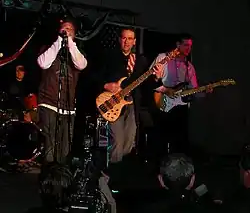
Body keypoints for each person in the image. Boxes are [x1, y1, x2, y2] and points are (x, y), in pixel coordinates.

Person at [98, 28, 162, 166]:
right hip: (114, 103)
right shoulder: (109, 56)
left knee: (129, 142)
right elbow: (93, 76)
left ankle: (118, 170)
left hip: (131, 104)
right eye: (124, 38)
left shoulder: (140, 60)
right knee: (117, 141)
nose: (127, 42)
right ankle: (110, 174)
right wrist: (105, 85)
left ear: (134, 42)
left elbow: (146, 84)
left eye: (130, 39)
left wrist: (156, 77)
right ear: (119, 39)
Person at [149, 34, 212, 164]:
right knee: (160, 139)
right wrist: (166, 90)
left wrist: (205, 91)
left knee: (180, 141)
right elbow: (150, 80)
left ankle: (178, 170)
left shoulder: (189, 67)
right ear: (178, 45)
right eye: (186, 45)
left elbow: (194, 90)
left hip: (181, 106)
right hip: (163, 102)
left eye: (190, 46)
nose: (188, 48)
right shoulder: (163, 57)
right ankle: (159, 169)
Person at [37, 17, 87, 164]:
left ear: (75, 34)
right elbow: (43, 63)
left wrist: (70, 44)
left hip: (68, 108)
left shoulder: (77, 52)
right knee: (50, 148)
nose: (66, 31)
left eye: (69, 29)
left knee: (65, 149)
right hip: (48, 103)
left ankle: (59, 181)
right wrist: (59, 42)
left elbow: (81, 64)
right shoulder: (48, 48)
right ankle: (47, 180)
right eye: (63, 28)